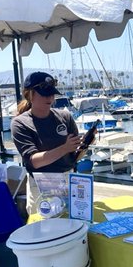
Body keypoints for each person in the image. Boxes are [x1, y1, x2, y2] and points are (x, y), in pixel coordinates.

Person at [10, 71, 82, 216]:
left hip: (68, 180)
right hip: (41, 184)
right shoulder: (20, 123)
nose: (50, 97)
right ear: (30, 94)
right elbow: (34, 161)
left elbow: (74, 153)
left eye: (52, 93)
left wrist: (85, 144)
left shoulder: (65, 117)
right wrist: (64, 148)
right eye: (44, 94)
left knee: (73, 224)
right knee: (42, 226)